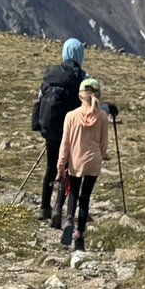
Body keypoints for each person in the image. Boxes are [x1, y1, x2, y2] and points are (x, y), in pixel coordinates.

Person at [55, 77, 116, 253]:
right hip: (93, 161)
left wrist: (61, 166)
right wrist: (100, 156)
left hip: (75, 160)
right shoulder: (103, 117)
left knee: (73, 192)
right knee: (85, 197)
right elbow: (104, 144)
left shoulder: (71, 116)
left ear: (80, 96)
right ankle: (79, 237)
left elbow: (65, 144)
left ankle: (68, 221)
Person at [30, 38, 88, 223]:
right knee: (67, 170)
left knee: (50, 167)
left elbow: (40, 99)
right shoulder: (82, 78)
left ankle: (44, 207)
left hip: (51, 129)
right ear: (79, 54)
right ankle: (57, 208)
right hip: (71, 132)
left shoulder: (50, 75)